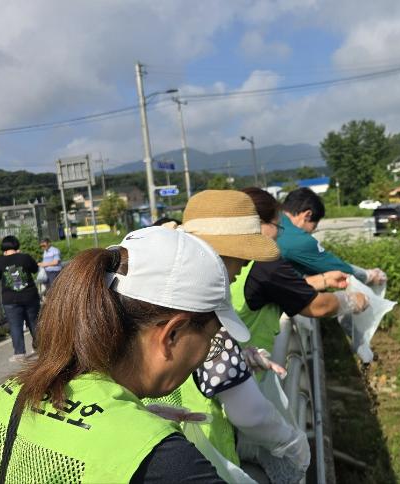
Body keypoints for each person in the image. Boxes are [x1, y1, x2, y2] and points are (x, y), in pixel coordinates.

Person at [0, 226, 242, 482]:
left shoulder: (5, 395)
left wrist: (133, 418)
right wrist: (143, 435)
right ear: (172, 334)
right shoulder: (166, 459)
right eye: (211, 339)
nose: (207, 352)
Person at [148, 190, 311, 482]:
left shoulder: (156, 300)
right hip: (202, 458)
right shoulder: (204, 319)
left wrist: (239, 357)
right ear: (217, 257)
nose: (242, 268)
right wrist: (292, 442)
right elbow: (250, 414)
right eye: (240, 258)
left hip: (159, 456)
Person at [236, 187, 369, 353]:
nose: (279, 234)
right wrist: (351, 300)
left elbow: (276, 285)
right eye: (277, 226)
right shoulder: (267, 262)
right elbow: (318, 306)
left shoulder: (232, 256)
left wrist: (324, 280)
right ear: (259, 223)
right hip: (241, 369)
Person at [277, 187, 387, 285]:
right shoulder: (297, 239)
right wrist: (368, 276)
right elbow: (334, 267)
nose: (311, 232)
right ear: (307, 215)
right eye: (314, 226)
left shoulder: (271, 221)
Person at [0, 235, 40, 362]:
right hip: (29, 296)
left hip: (10, 299)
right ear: (16, 245)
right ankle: (40, 349)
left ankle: (19, 353)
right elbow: (35, 269)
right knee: (34, 322)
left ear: (4, 248)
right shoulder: (25, 257)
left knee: (15, 325)